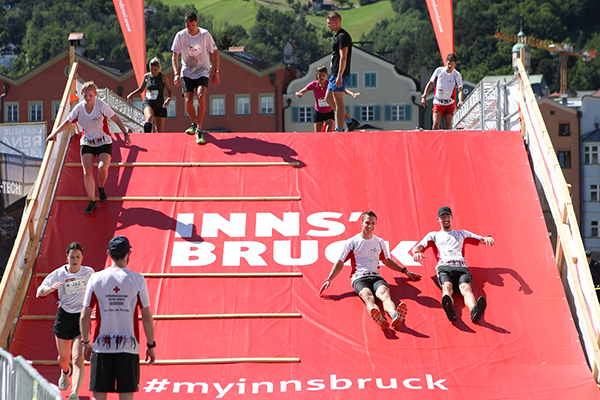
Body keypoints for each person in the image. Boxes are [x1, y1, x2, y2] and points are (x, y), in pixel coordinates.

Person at [80, 236, 156, 400]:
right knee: (126, 395)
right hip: (128, 346)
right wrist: (151, 344)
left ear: (108, 253)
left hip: (101, 347)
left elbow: (84, 316)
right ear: (129, 252)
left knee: (99, 395)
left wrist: (86, 342)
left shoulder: (95, 278)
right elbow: (147, 316)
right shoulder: (137, 279)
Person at [319, 211, 422, 330]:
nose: (370, 226)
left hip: (375, 277)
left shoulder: (379, 242)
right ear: (361, 223)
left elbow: (387, 261)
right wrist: (329, 279)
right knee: (368, 297)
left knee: (385, 295)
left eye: (373, 223)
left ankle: (395, 315)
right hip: (359, 278)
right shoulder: (352, 242)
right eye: (367, 223)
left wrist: (405, 271)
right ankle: (380, 319)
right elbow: (340, 262)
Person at [46, 81, 131, 215]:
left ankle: (101, 188)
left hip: (103, 141)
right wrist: (54, 133)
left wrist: (125, 134)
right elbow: (67, 122)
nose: (88, 99)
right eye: (85, 96)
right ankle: (92, 201)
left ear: (95, 94)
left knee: (102, 169)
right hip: (87, 142)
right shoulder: (79, 109)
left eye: (90, 95)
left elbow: (116, 119)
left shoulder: (101, 106)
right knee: (87, 171)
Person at [412, 206, 494, 323]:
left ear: (452, 217)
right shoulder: (433, 235)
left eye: (447, 216)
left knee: (466, 288)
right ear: (438, 219)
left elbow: (482, 239)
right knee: (447, 286)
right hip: (444, 266)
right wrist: (416, 252)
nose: (445, 219)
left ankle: (474, 311)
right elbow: (417, 247)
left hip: (461, 267)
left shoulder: (462, 234)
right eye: (442, 217)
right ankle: (450, 310)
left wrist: (488, 238)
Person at [36, 242, 94, 400]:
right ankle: (65, 372)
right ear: (67, 257)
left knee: (78, 358)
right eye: (72, 257)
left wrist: (93, 306)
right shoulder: (59, 273)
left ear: (82, 257)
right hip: (64, 316)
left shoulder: (88, 272)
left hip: (81, 318)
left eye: (78, 257)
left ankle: (74, 392)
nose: (75, 260)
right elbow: (40, 291)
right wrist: (50, 288)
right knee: (64, 358)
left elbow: (96, 290)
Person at [171, 10, 220, 145]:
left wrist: (216, 72)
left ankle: (199, 128)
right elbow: (174, 56)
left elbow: (215, 53)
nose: (190, 28)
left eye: (192, 25)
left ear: (196, 22)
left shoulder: (205, 35)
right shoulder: (180, 35)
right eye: (188, 26)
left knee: (200, 96)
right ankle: (193, 123)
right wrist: (176, 73)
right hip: (187, 71)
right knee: (188, 100)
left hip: (202, 70)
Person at [295, 65, 360, 132]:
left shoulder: (329, 83)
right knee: (318, 134)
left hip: (329, 112)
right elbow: (302, 91)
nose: (321, 77)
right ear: (317, 75)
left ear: (326, 75)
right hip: (318, 112)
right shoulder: (313, 84)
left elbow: (343, 90)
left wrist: (352, 94)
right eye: (320, 75)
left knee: (329, 132)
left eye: (323, 75)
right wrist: (299, 93)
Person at [324, 12, 360, 132]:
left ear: (336, 22)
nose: (328, 25)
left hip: (340, 73)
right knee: (328, 98)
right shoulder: (337, 36)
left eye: (329, 23)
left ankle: (339, 128)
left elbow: (343, 56)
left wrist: (339, 75)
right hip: (334, 73)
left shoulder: (342, 36)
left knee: (338, 101)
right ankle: (350, 121)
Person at [127, 57, 173, 133]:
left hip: (159, 104)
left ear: (158, 68)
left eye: (155, 69)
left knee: (159, 131)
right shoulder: (146, 76)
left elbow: (170, 92)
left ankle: (158, 144)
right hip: (148, 102)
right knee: (149, 118)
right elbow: (141, 89)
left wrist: (168, 99)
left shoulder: (163, 77)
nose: (153, 71)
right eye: (151, 69)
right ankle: (146, 138)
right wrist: (131, 94)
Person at [420, 53, 464, 130]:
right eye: (449, 63)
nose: (450, 66)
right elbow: (430, 83)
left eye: (452, 64)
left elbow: (459, 89)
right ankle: (435, 139)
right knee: (436, 123)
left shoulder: (457, 75)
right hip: (438, 102)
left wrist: (460, 100)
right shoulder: (439, 70)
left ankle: (447, 141)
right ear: (446, 62)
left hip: (449, 103)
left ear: (455, 64)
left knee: (448, 126)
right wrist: (424, 96)